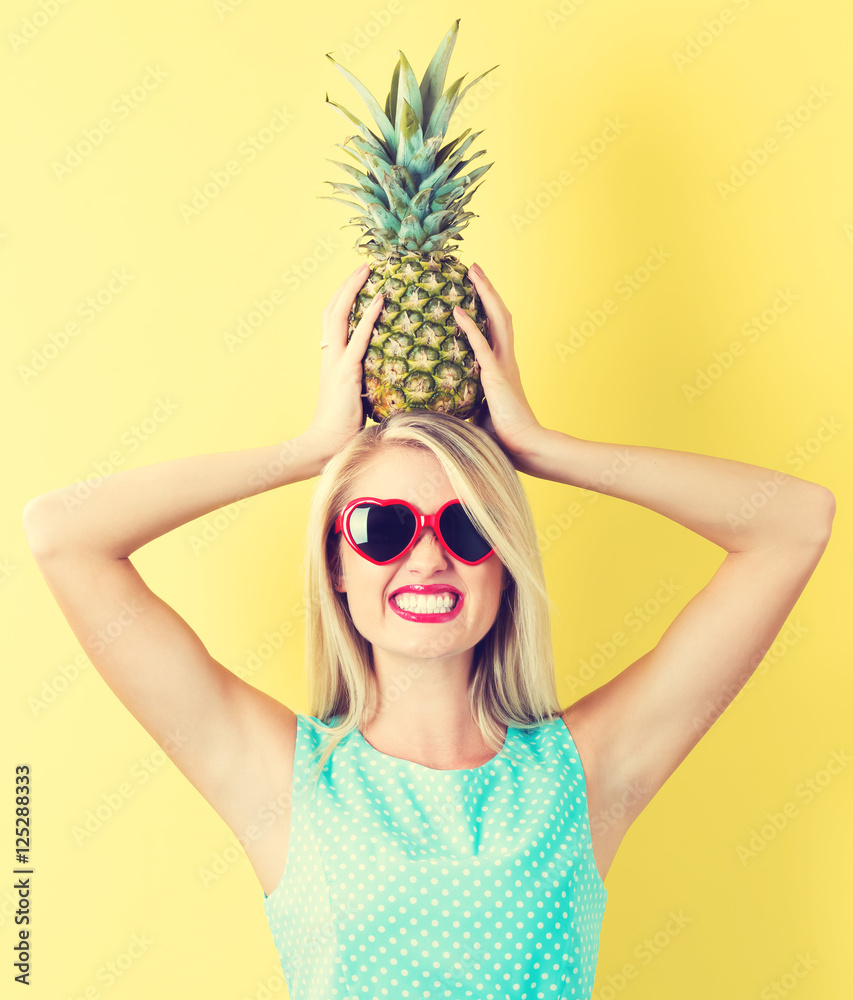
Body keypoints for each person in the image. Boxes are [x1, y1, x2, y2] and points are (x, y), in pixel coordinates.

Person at [22, 261, 835, 999]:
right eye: (381, 528)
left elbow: (793, 524)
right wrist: (308, 452)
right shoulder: (279, 780)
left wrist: (541, 449)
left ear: (503, 561)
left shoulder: (585, 774)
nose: (425, 560)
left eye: (468, 527)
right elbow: (63, 535)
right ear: (337, 564)